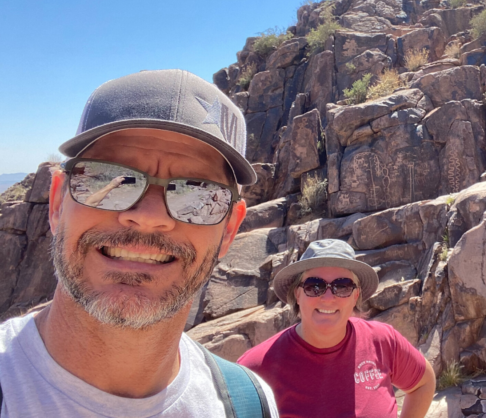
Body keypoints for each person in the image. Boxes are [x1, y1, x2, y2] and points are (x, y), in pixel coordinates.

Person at [0, 69, 279, 417]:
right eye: (109, 180)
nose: (148, 216)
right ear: (57, 203)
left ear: (229, 231)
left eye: (198, 194)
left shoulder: (248, 405)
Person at [238, 239, 437, 418]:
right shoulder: (255, 368)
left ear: (355, 295)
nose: (327, 297)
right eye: (314, 286)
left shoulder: (382, 341)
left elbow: (423, 383)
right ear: (297, 294)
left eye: (342, 286)